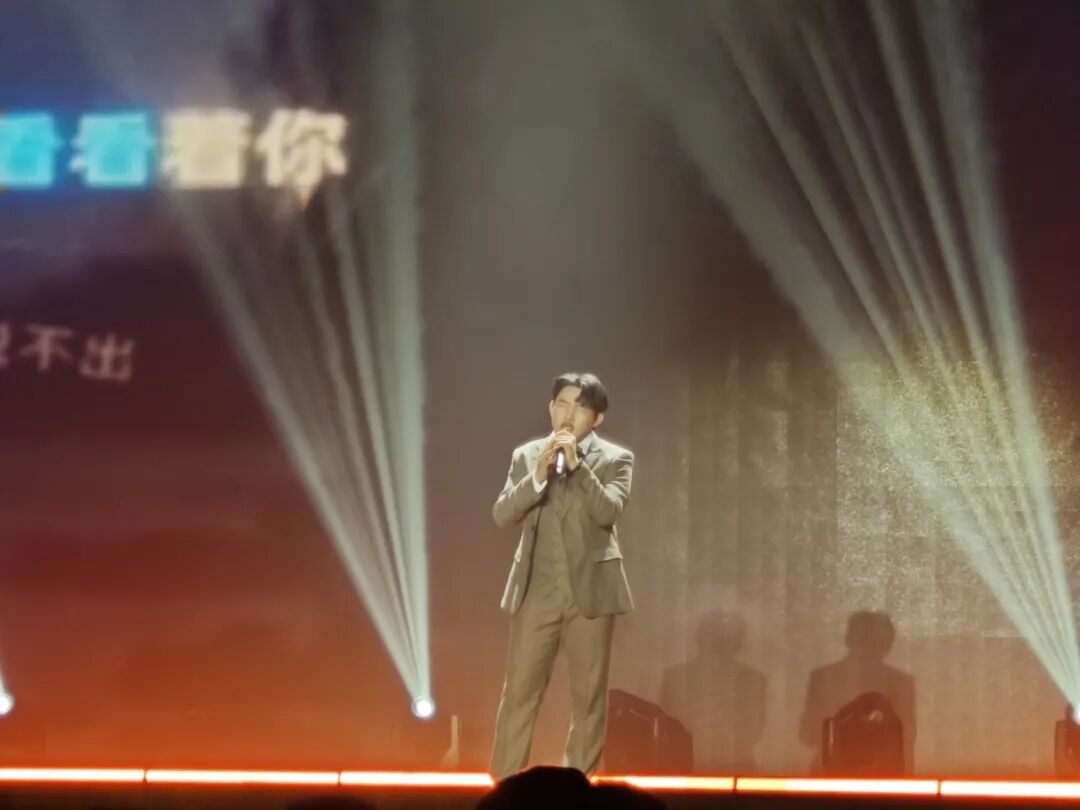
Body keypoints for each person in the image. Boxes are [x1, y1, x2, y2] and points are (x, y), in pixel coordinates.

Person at [489, 372, 635, 780]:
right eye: (562, 404)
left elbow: (608, 511)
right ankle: (505, 785)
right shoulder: (527, 455)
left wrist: (577, 466)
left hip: (590, 592)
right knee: (519, 692)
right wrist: (537, 477)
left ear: (597, 418)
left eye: (581, 407)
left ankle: (579, 785)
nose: (569, 415)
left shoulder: (616, 459)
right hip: (536, 591)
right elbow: (502, 514)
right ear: (551, 408)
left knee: (588, 697)